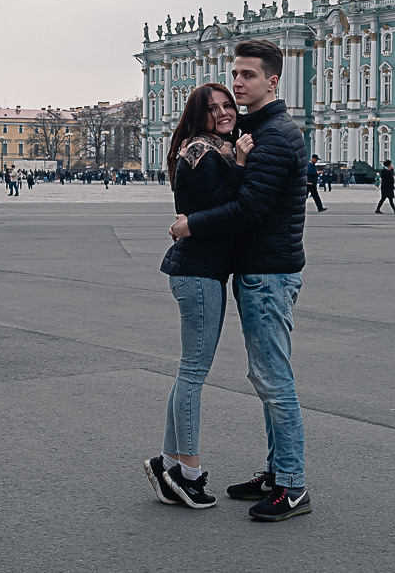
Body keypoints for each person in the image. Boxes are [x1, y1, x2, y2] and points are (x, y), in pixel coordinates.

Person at [168, 39, 312, 522]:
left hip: (269, 273)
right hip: (259, 270)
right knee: (265, 376)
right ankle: (277, 472)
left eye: (247, 75)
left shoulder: (275, 136)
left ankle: (291, 485)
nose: (237, 83)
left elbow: (250, 208)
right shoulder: (258, 130)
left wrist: (191, 225)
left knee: (274, 379)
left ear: (273, 80)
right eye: (235, 74)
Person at [146, 82, 247, 510]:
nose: (224, 113)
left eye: (229, 105)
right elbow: (222, 212)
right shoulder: (205, 153)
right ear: (197, 115)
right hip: (199, 273)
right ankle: (187, 473)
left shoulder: (203, 148)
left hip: (198, 272)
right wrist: (242, 161)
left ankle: (168, 463)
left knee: (187, 372)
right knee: (193, 375)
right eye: (213, 109)